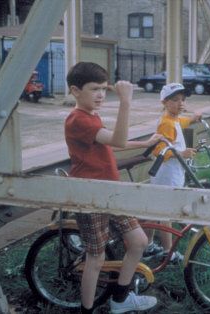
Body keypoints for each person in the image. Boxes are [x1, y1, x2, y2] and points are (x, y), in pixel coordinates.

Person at [64, 62, 161, 313]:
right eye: (94, 89)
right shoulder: (78, 120)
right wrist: (126, 102)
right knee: (96, 258)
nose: (100, 95)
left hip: (110, 192)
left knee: (138, 241)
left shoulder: (90, 117)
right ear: (75, 91)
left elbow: (110, 142)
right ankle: (87, 309)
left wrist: (144, 142)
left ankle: (120, 300)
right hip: (91, 194)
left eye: (104, 90)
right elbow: (115, 139)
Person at [147, 83, 201, 262]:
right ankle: (167, 251)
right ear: (164, 102)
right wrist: (181, 153)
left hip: (172, 171)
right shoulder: (166, 123)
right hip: (167, 173)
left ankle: (148, 245)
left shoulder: (174, 119)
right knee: (165, 212)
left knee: (155, 210)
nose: (180, 104)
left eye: (183, 100)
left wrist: (193, 118)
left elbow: (182, 122)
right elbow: (158, 150)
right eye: (175, 100)